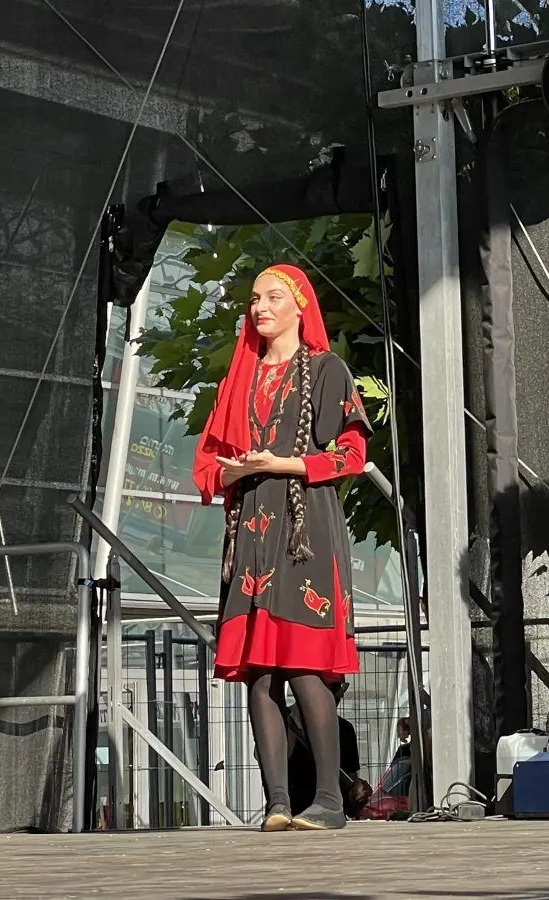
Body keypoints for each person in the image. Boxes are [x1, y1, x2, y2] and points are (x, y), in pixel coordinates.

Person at [192, 264, 371, 832]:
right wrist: (233, 471)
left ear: (300, 307)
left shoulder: (326, 369)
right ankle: (276, 802)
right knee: (260, 670)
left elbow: (352, 453)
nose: (260, 307)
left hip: (304, 531)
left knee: (302, 662)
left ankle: (330, 801)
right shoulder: (237, 382)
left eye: (273, 297)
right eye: (254, 299)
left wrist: (285, 463)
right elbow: (203, 470)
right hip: (250, 531)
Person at [283, 680, 369, 817]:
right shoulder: (283, 721)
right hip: (292, 809)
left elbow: (350, 778)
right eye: (334, 690)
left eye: (342, 687)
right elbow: (269, 761)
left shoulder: (344, 729)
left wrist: (357, 791)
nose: (341, 694)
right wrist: (294, 726)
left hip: (330, 811)